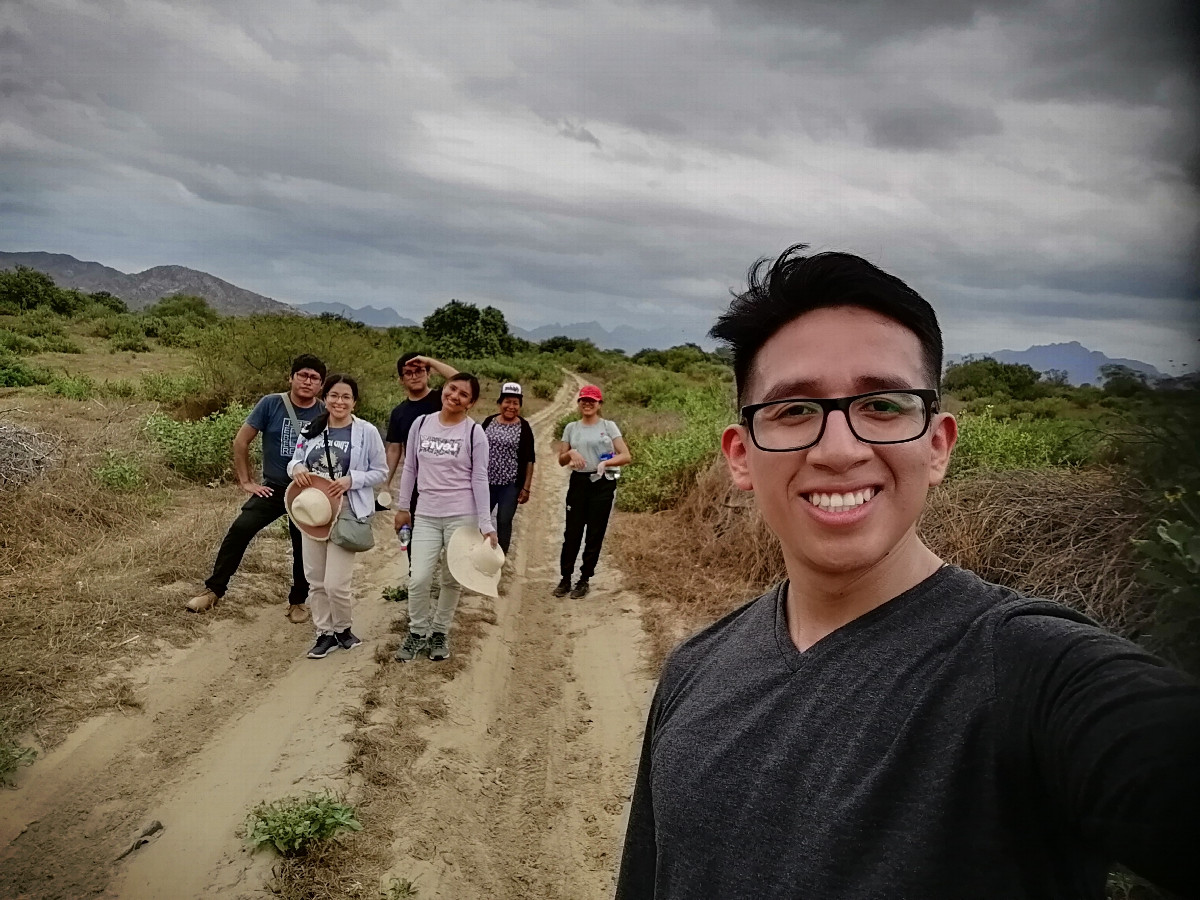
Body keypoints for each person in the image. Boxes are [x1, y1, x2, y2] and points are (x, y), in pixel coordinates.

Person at [615, 245, 1200, 899]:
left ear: (938, 445)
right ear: (742, 456)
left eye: (884, 406)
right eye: (794, 410)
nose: (839, 450)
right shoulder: (695, 670)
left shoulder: (1036, 676)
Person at [186, 354, 327, 622]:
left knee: (303, 546)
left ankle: (298, 601)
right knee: (240, 529)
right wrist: (246, 481)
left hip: (308, 492)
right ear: (291, 378)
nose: (308, 382)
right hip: (274, 488)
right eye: (303, 375)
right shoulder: (271, 404)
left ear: (321, 385)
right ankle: (213, 590)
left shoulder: (324, 411)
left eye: (314, 378)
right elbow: (241, 441)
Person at [393, 373, 497, 663]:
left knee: (452, 579)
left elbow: (479, 478)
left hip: (462, 516)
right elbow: (410, 468)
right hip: (426, 513)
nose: (455, 396)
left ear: (471, 403)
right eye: (452, 389)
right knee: (419, 577)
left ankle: (439, 632)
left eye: (464, 394)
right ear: (444, 390)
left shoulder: (474, 433)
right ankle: (416, 632)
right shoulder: (421, 424)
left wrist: (485, 523)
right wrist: (404, 507)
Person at [286, 374, 387, 659]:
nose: (339, 401)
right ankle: (324, 634)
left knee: (335, 584)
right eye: (333, 395)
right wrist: (296, 469)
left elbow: (381, 471)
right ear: (325, 398)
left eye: (346, 397)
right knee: (315, 580)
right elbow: (295, 460)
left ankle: (343, 628)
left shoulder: (366, 432)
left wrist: (350, 480)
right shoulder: (312, 428)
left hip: (346, 512)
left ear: (355, 402)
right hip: (311, 511)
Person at [553, 384, 631, 599]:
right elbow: (561, 460)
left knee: (595, 533)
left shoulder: (609, 426)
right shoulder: (571, 427)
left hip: (603, 483)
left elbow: (625, 455)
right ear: (579, 403)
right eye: (584, 400)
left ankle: (584, 579)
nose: (587, 404)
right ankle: (565, 578)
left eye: (592, 400)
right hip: (579, 482)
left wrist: (606, 464)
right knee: (573, 532)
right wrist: (572, 453)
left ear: (599, 404)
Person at [481, 381, 536, 555]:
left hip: (510, 484)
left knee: (504, 520)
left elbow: (529, 459)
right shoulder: (489, 421)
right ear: (500, 403)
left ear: (520, 405)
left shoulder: (524, 427)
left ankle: (499, 556)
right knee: (481, 519)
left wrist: (526, 487)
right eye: (507, 402)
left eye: (515, 403)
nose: (511, 406)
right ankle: (478, 552)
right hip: (486, 483)